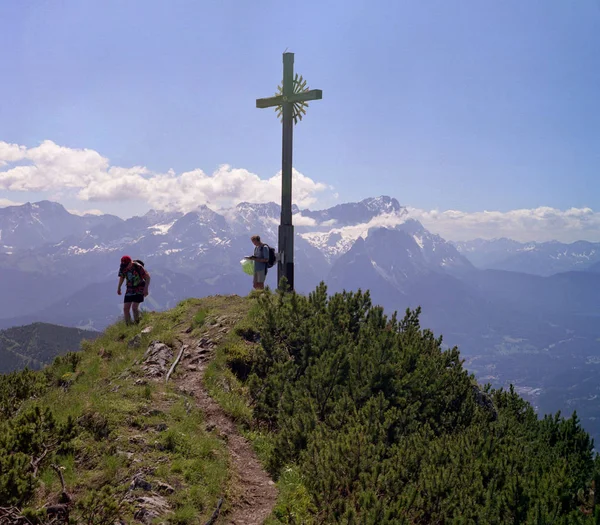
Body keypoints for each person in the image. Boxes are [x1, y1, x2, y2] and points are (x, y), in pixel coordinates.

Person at [117, 255, 150, 325]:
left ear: (130, 262)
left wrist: (146, 288)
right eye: (124, 265)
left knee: (134, 307)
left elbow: (147, 277)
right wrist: (119, 287)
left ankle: (137, 323)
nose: (125, 267)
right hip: (129, 289)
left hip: (139, 287)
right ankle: (129, 327)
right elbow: (122, 277)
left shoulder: (138, 267)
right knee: (125, 309)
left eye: (127, 265)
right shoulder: (122, 267)